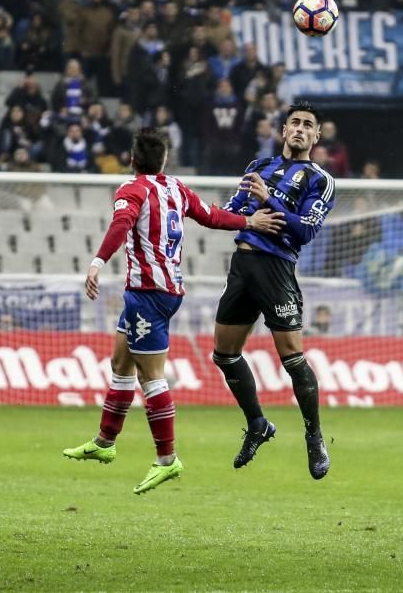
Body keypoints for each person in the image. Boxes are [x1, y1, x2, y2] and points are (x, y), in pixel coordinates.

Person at [63, 128, 284, 494]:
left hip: (148, 293)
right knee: (121, 363)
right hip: (166, 290)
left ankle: (167, 459)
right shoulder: (176, 188)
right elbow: (212, 216)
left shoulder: (131, 190)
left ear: (132, 160)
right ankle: (105, 442)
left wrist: (97, 262)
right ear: (164, 160)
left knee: (151, 378)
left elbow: (121, 224)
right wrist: (248, 221)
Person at [212, 101, 335, 480]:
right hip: (242, 266)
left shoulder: (320, 180)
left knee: (292, 357)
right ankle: (258, 425)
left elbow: (306, 232)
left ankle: (314, 436)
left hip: (276, 269)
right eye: (294, 123)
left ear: (316, 136)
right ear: (283, 131)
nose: (299, 128)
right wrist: (227, 213)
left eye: (307, 125)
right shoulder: (256, 167)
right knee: (225, 354)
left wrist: (270, 201)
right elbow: (235, 212)